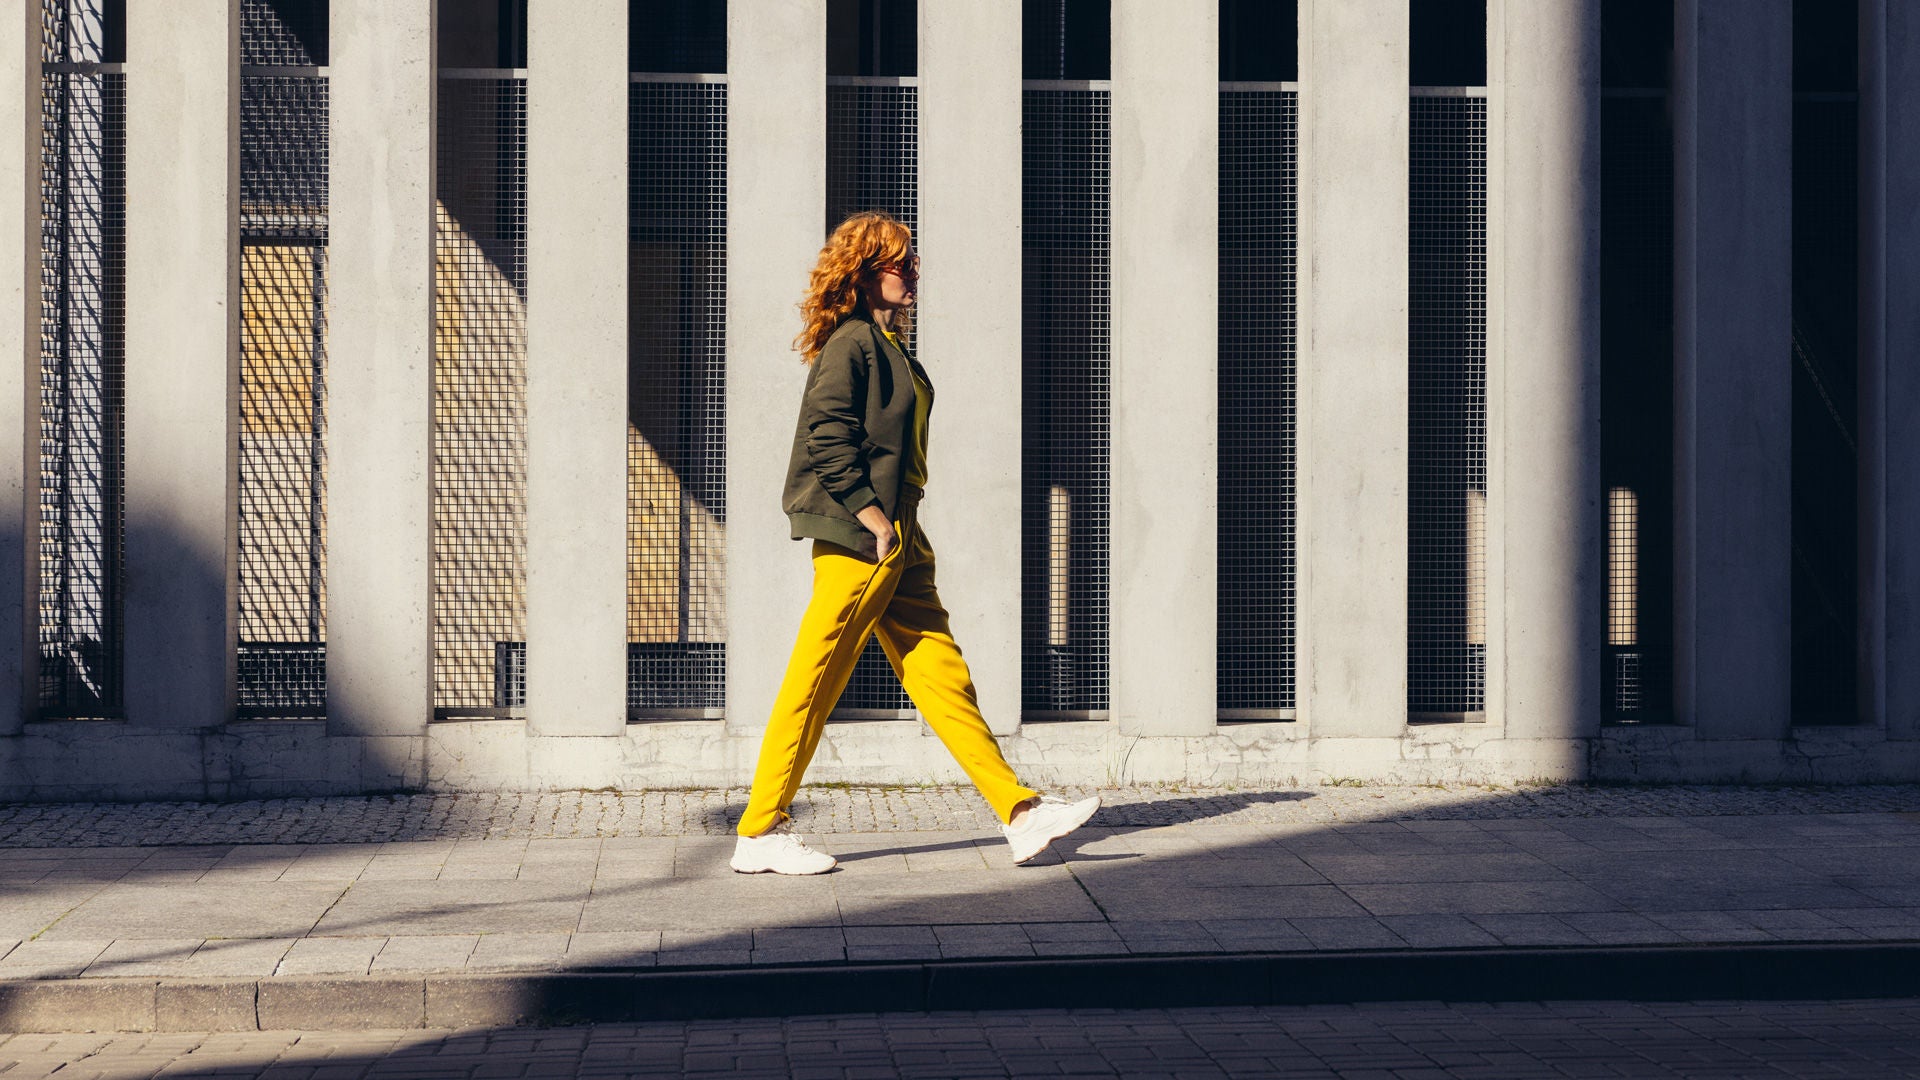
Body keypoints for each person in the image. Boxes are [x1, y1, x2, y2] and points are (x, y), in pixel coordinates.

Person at [730, 211, 1101, 875]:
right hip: (862, 536)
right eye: (902, 262)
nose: (913, 271)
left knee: (939, 672)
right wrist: (875, 520)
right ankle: (760, 830)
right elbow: (826, 436)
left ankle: (1020, 813)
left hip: (900, 530)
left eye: (912, 260)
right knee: (814, 680)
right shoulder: (851, 344)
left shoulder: (887, 344)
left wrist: (897, 524)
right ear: (866, 271)